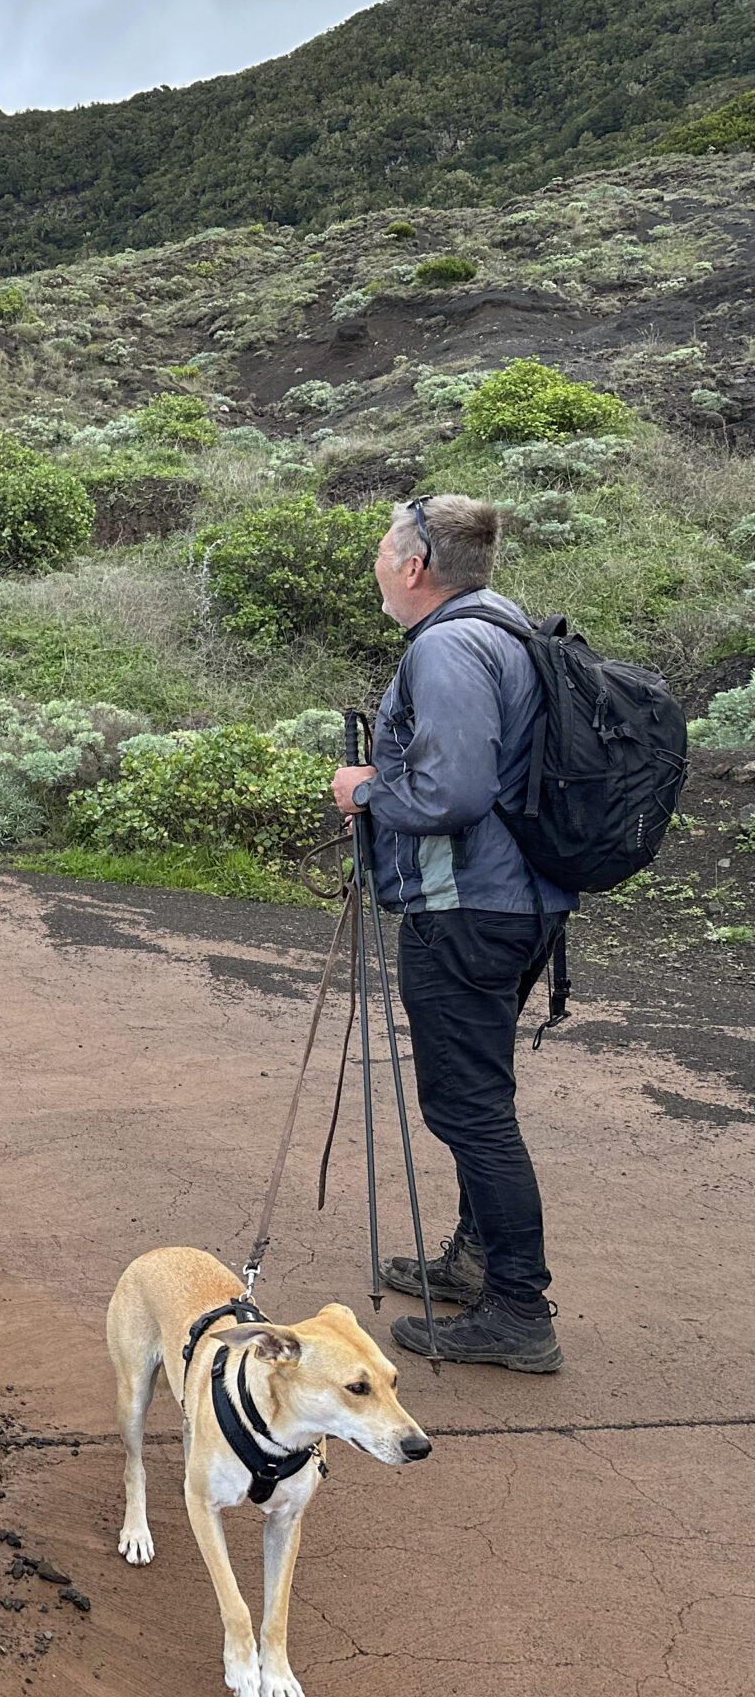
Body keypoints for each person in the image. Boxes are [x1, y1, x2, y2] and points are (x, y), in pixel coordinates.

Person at [330, 494, 573, 1373]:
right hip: (519, 901)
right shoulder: (506, 629)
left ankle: (518, 1308)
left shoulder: (448, 646)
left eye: (385, 549)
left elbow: (451, 796)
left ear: (417, 565)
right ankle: (478, 1262)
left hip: (467, 909)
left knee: (469, 1108)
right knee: (480, 1098)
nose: (378, 563)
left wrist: (360, 790)